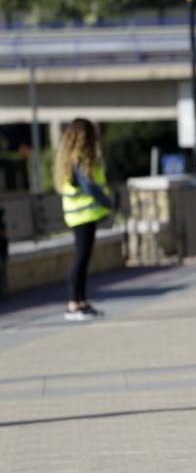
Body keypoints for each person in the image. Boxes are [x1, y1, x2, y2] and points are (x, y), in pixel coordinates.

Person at [54, 118, 113, 322]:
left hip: (81, 214)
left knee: (83, 259)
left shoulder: (71, 157)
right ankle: (73, 304)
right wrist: (107, 202)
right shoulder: (79, 158)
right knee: (80, 259)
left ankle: (81, 301)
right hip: (82, 215)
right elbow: (89, 185)